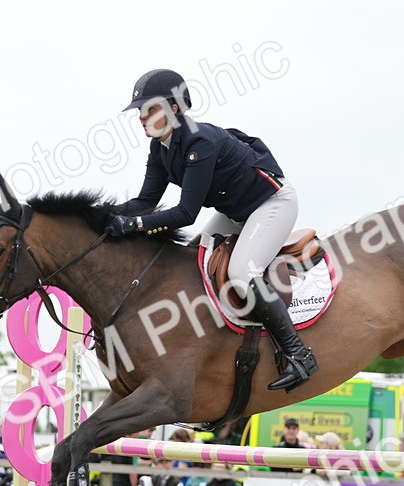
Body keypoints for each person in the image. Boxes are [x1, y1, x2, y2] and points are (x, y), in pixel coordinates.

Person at [108, 69, 317, 392]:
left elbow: (185, 213)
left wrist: (133, 225)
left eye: (150, 108)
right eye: (140, 110)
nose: (141, 116)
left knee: (242, 273)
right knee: (192, 262)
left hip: (272, 203)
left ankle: (299, 355)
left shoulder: (198, 141)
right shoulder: (159, 149)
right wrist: (100, 216)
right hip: (235, 212)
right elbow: (145, 202)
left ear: (174, 108)